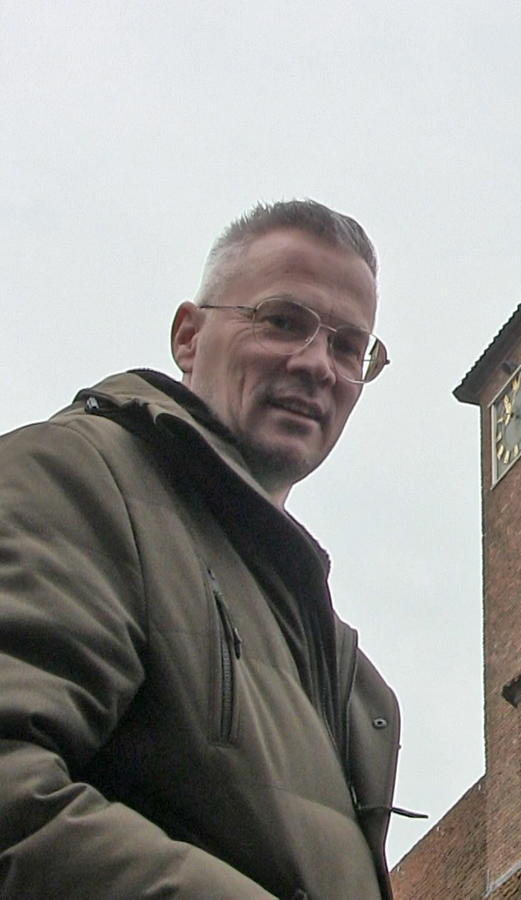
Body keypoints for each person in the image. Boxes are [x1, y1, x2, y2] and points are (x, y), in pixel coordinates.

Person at [0, 200, 406, 898]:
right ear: (189, 336)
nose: (317, 364)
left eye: (348, 346)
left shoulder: (348, 673)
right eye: (282, 321)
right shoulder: (78, 477)